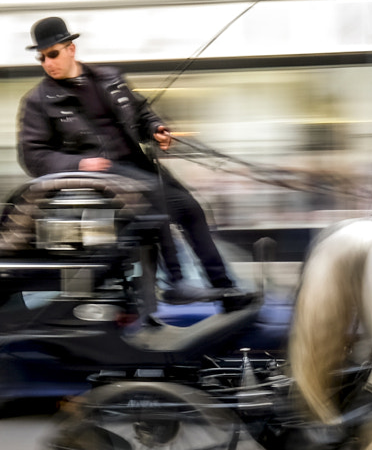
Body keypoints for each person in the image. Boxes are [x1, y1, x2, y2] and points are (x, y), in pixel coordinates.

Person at [15, 16, 238, 302]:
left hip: (138, 167)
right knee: (155, 202)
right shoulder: (38, 101)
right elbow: (32, 155)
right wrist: (79, 165)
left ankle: (224, 286)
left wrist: (156, 129)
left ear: (71, 49)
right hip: (101, 179)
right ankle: (176, 282)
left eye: (53, 54)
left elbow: (141, 111)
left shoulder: (110, 79)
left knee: (192, 208)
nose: (48, 63)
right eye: (42, 57)